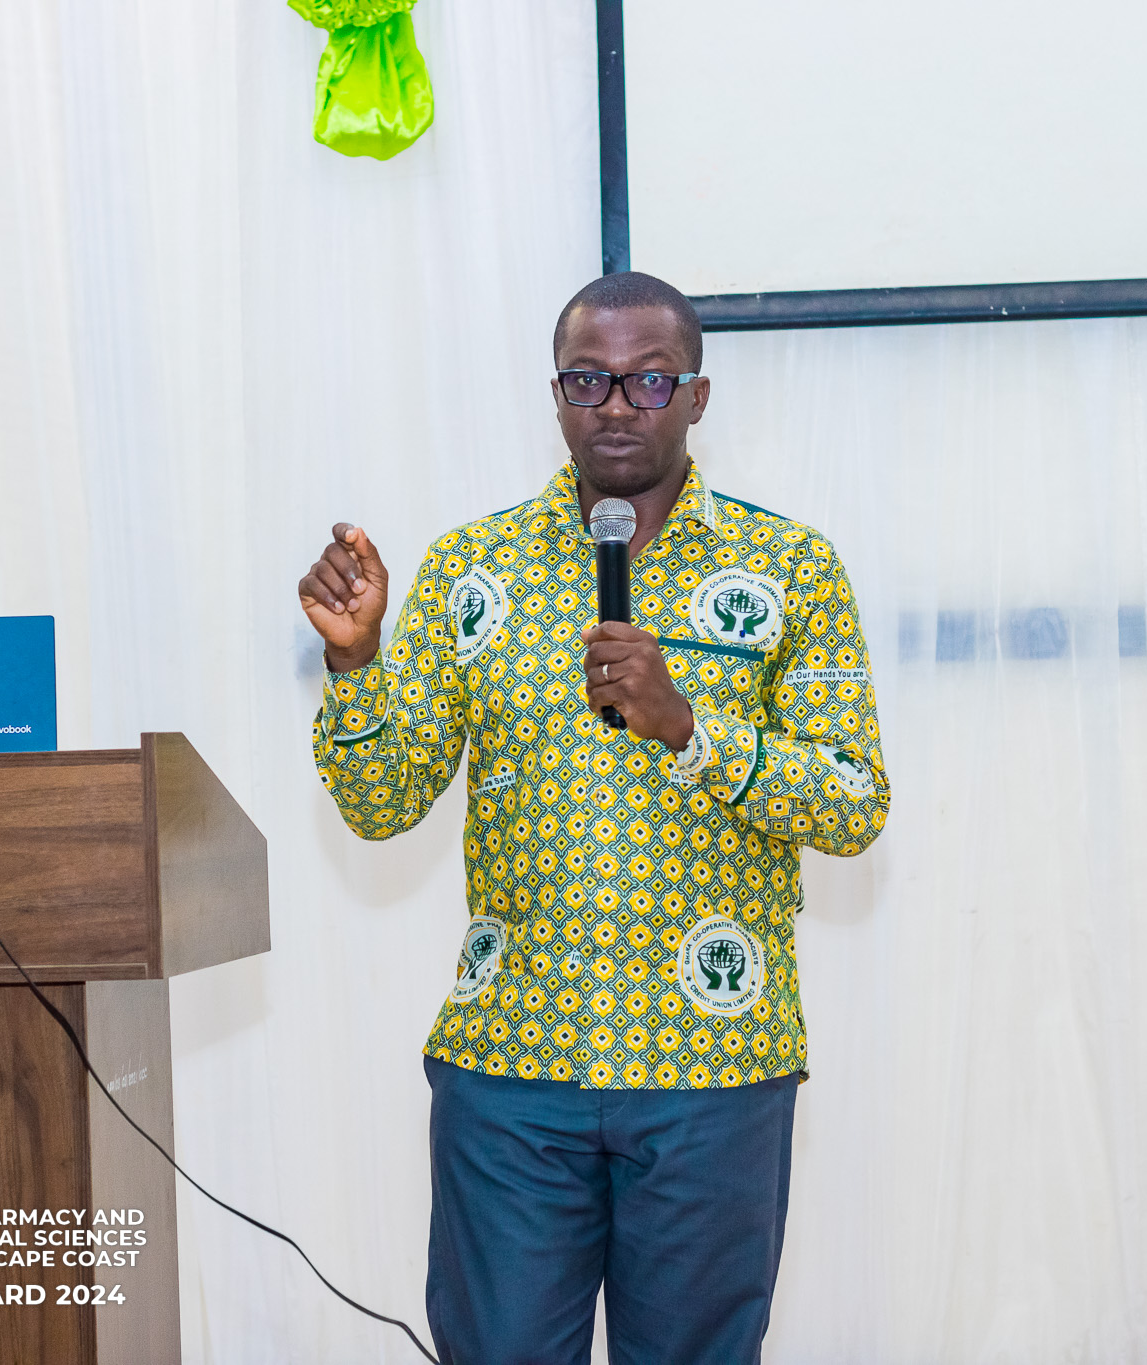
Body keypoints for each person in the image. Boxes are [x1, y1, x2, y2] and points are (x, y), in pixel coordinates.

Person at [299, 271, 890, 1364]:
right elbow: (382, 804)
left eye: (648, 380)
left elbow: (853, 803)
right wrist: (355, 659)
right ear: (556, 395)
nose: (616, 405)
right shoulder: (471, 569)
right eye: (588, 380)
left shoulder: (789, 567)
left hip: (714, 1066)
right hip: (510, 1064)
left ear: (696, 395)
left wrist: (687, 726)